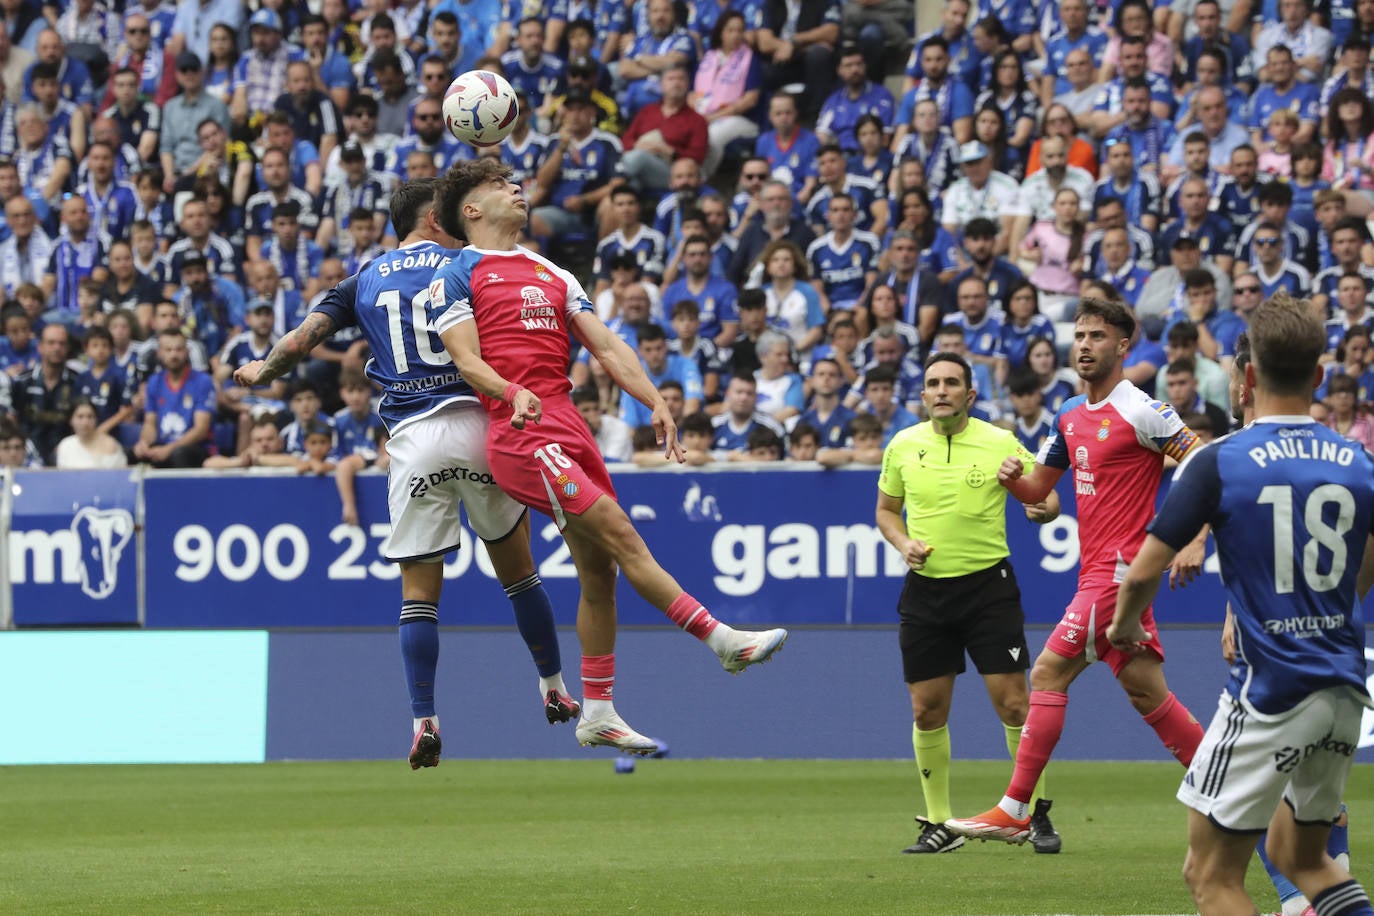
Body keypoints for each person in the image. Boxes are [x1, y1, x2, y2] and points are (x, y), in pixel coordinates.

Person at [430, 158, 789, 755]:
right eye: (499, 185)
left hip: (570, 426)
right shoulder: (458, 273)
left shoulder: (552, 272)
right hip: (521, 431)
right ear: (470, 210)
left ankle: (596, 711)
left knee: (601, 572)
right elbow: (466, 360)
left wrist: (653, 399)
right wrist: (510, 390)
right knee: (623, 535)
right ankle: (721, 639)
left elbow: (606, 345)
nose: (517, 189)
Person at [233, 177, 581, 769]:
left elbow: (299, 341)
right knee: (518, 573)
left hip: (412, 442)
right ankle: (552, 685)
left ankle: (424, 721)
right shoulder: (464, 262)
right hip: (477, 423)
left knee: (418, 597)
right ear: (434, 219)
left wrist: (262, 372)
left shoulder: (360, 279)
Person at [1110, 294, 1374, 916]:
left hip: (1271, 691)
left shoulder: (1220, 460)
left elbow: (1143, 570)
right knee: (1304, 858)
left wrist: (1123, 625)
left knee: (1210, 875)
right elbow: (1367, 563)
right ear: (1317, 377)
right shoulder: (1359, 462)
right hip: (1344, 690)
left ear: (1248, 376)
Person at [946, 298, 1209, 845]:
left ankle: (1017, 807)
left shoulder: (1143, 410)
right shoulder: (1067, 414)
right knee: (1149, 697)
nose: (1084, 344)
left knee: (1045, 674)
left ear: (1122, 346)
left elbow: (1203, 462)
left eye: (1096, 336)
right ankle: (1222, 783)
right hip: (1096, 575)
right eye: (1080, 334)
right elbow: (1040, 491)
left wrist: (1196, 537)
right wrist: (1012, 478)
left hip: (1118, 577)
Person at [876, 350, 1062, 856]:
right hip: (926, 592)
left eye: (951, 383)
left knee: (1015, 705)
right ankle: (939, 823)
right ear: (923, 395)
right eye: (933, 382)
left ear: (970, 395)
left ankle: (1032, 814)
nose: (941, 390)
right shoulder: (903, 445)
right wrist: (902, 543)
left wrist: (1035, 505)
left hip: (988, 591)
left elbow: (1046, 501)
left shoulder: (999, 442)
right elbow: (886, 512)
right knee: (926, 709)